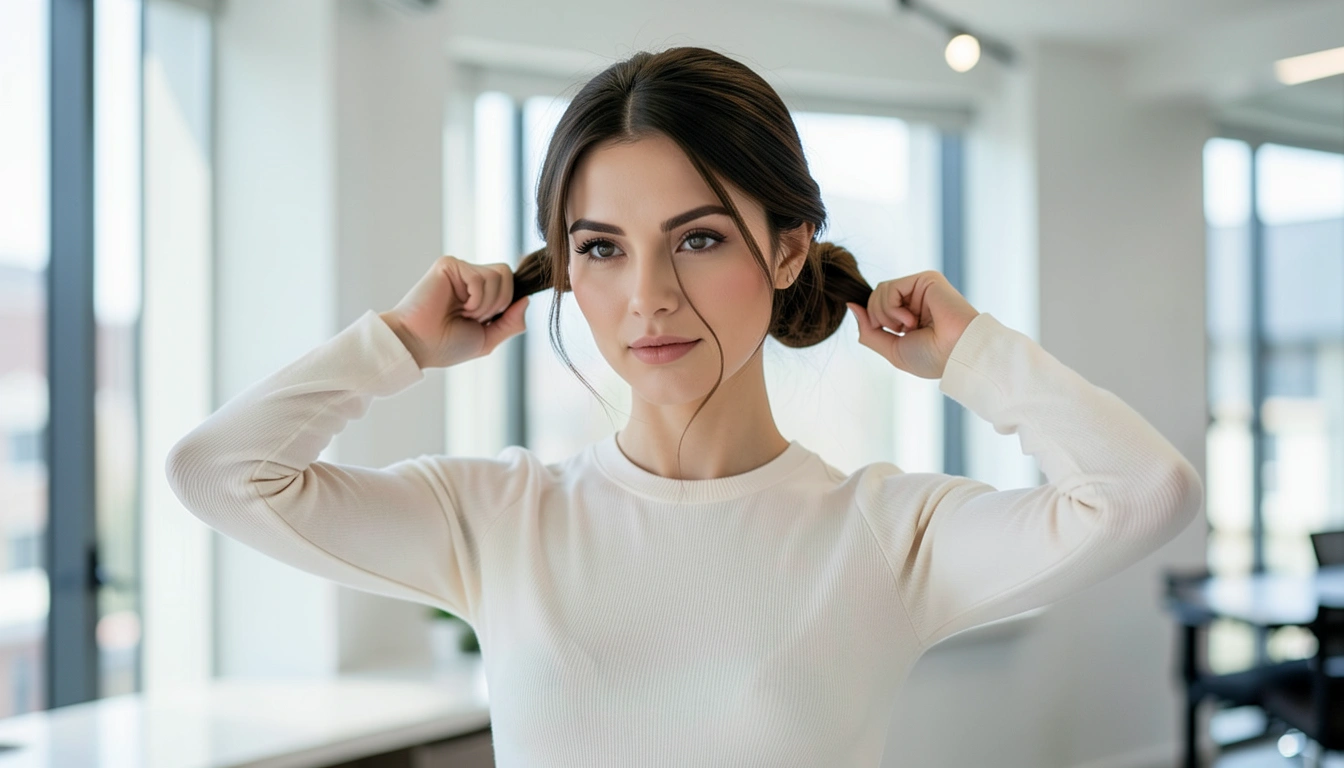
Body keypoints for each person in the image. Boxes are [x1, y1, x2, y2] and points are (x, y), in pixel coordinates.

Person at [166, 46, 1203, 767]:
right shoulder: (496, 520)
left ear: (788, 245)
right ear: (565, 270)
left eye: (698, 238)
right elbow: (217, 473)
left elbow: (1144, 492)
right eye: (601, 248)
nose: (648, 296)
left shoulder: (883, 535)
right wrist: (393, 344)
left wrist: (974, 355)